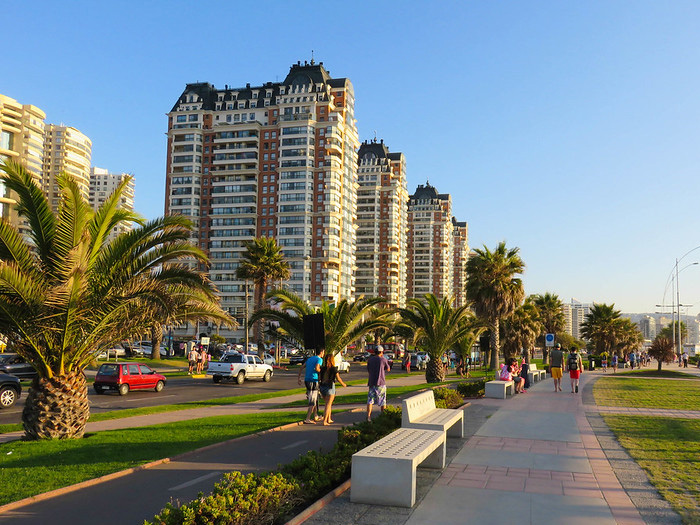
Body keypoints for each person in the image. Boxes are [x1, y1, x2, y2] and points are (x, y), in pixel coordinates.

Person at [319, 352, 347, 425]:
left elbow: (319, 378)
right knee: (328, 405)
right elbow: (338, 378)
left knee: (328, 404)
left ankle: (329, 419)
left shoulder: (322, 368)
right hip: (330, 386)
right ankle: (325, 421)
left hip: (322, 387)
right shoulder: (334, 369)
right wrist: (343, 384)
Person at [298, 348, 324, 424]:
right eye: (323, 352)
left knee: (314, 398)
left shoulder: (310, 359)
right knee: (312, 400)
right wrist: (322, 371)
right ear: (321, 352)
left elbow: (302, 367)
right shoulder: (319, 359)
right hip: (313, 380)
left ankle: (315, 415)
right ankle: (308, 418)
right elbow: (317, 368)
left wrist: (299, 377)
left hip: (307, 380)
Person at [366, 345, 390, 421]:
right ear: (382, 352)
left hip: (372, 382)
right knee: (383, 400)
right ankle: (383, 416)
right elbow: (388, 368)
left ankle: (368, 416)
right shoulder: (383, 359)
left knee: (370, 400)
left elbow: (368, 369)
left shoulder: (370, 360)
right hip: (381, 382)